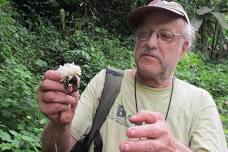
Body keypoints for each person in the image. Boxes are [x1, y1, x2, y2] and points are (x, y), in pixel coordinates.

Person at [38, 0, 228, 152]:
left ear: (183, 48)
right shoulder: (106, 83)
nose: (151, 43)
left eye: (165, 36)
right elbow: (55, 148)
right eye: (145, 33)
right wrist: (59, 126)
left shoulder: (200, 103)